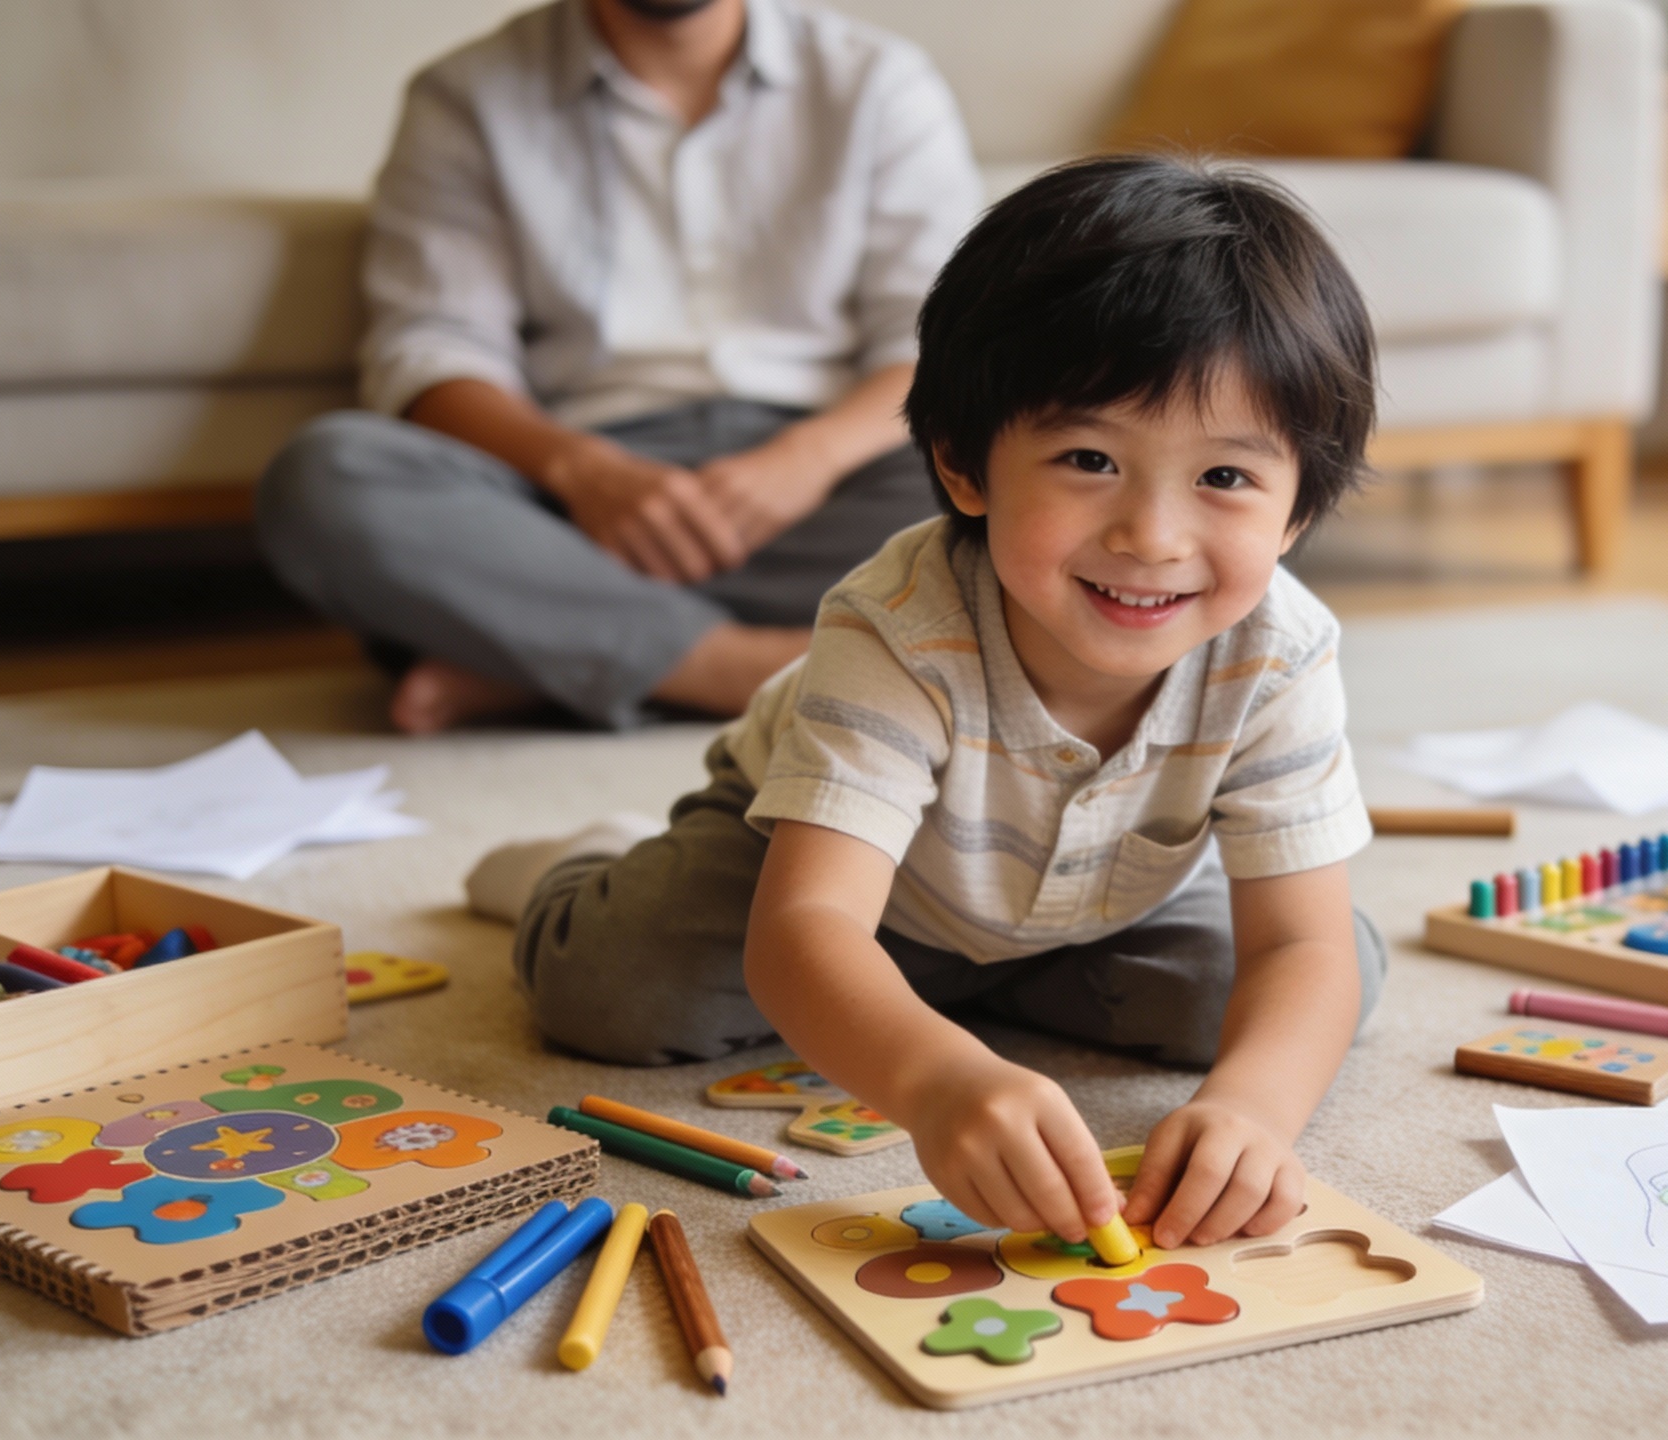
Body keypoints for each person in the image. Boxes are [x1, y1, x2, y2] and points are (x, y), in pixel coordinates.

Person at [492, 155, 1385, 1251]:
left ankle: (980, 983)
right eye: (1089, 458)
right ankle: (586, 861)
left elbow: (1299, 950)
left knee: (1314, 980)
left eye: (1225, 478)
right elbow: (809, 928)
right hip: (836, 872)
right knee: (614, 992)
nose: (1152, 538)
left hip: (1102, 898)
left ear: (1298, 510)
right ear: (965, 467)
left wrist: (1252, 1113)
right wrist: (936, 1079)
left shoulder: (1281, 653)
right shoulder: (897, 628)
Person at [255, 0, 981, 733]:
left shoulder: (881, 83)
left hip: (834, 477)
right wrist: (582, 473)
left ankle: (556, 655)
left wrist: (806, 459)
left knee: (992, 480)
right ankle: (744, 671)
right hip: (573, 496)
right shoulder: (465, 95)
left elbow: (939, 341)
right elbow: (433, 349)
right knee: (325, 477)